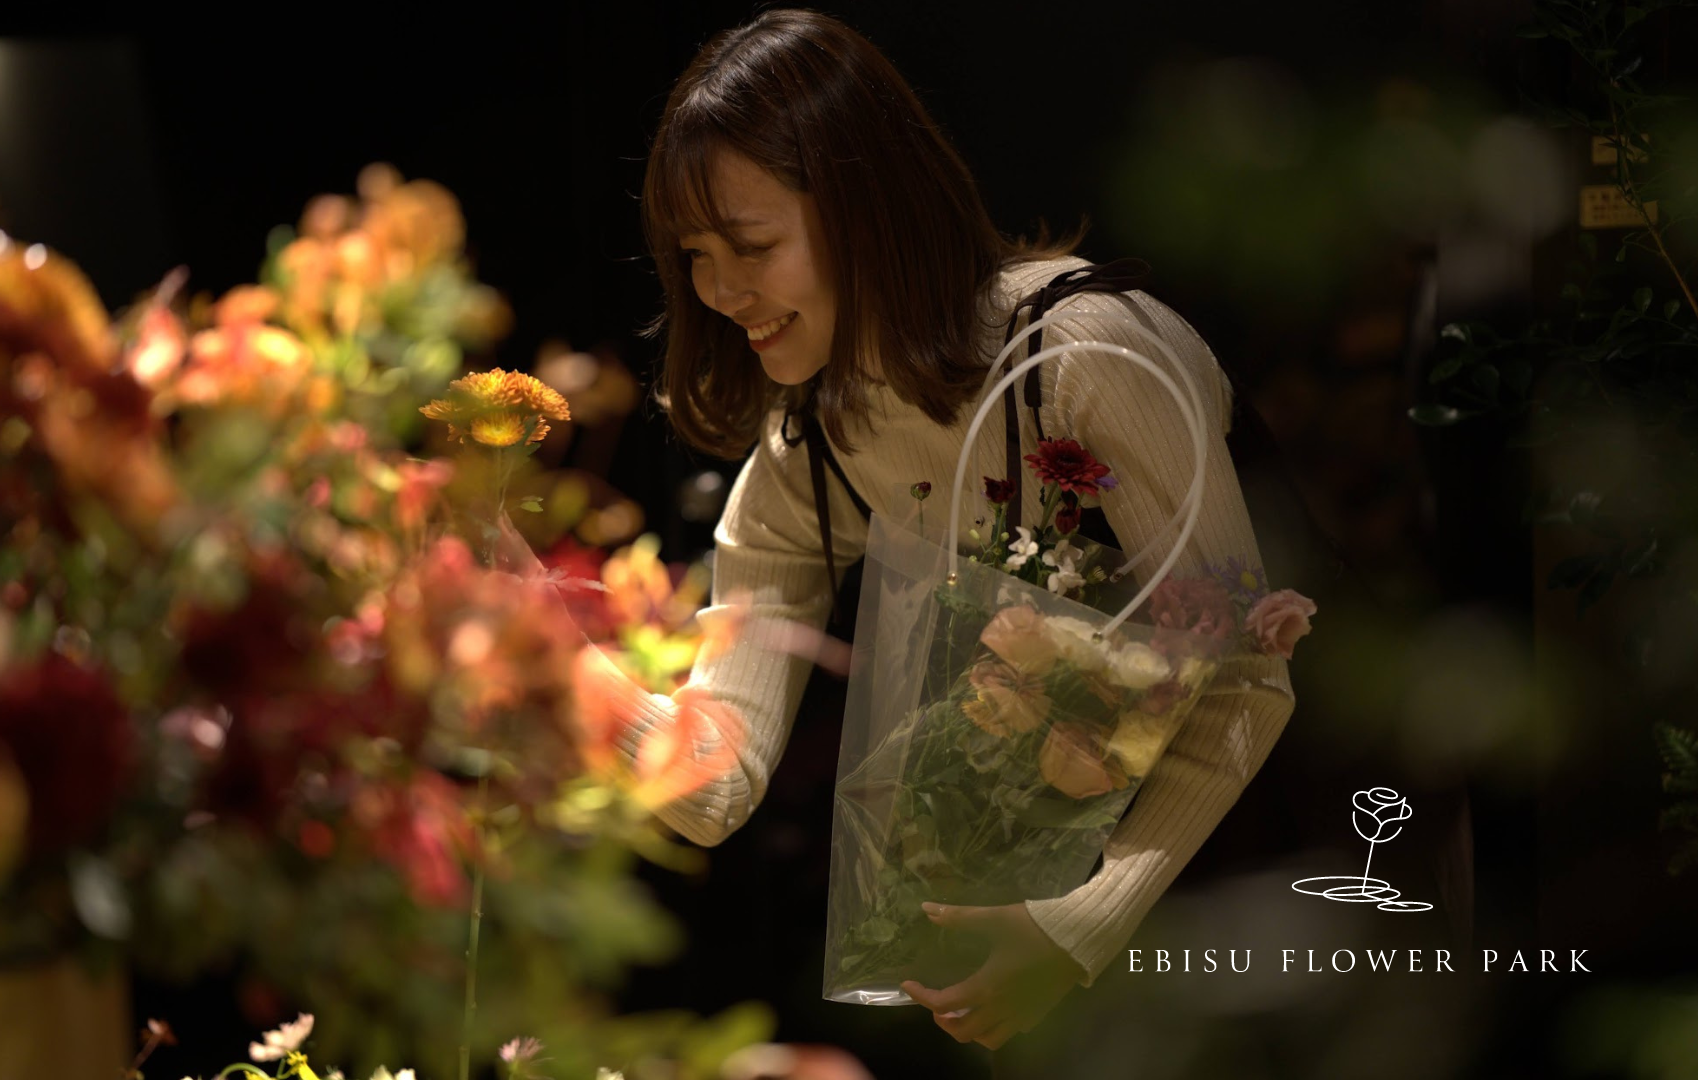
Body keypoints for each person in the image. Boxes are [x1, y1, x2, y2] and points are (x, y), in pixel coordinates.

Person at [509, 7, 1298, 1073]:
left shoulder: (1084, 355)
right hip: (1031, 955)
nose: (720, 292)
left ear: (866, 210)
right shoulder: (807, 446)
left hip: (1262, 896)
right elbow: (712, 785)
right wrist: (526, 633)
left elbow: (1249, 684)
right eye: (695, 255)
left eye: (752, 246)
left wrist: (1079, 927)